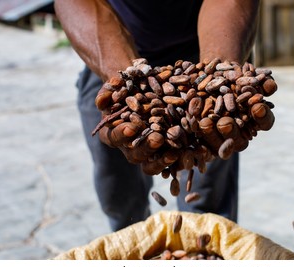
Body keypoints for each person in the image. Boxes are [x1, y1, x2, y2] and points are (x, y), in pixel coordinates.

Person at [54, 0, 262, 232]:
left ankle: (204, 259)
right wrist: (125, 83)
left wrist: (218, 74)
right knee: (119, 196)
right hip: (108, 47)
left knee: (207, 204)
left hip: (207, 49)